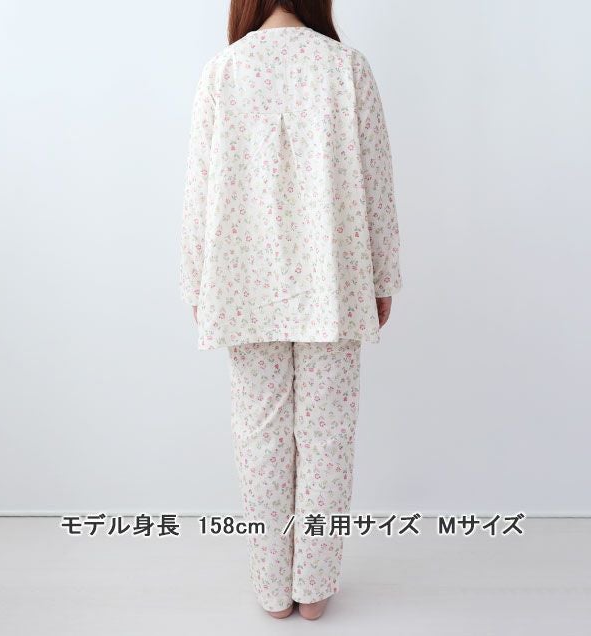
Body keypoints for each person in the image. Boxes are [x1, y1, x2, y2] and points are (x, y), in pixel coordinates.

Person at [179, 0, 402, 621]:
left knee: (260, 435)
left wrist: (197, 283)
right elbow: (377, 182)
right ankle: (315, 588)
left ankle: (272, 588)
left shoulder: (223, 71)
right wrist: (384, 276)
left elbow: (199, 188)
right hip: (335, 279)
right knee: (327, 436)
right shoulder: (346, 68)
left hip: (242, 283)